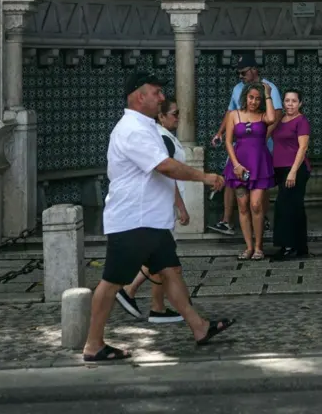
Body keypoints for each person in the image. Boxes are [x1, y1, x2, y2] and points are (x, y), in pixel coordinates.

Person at [81, 71, 237, 362]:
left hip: (152, 220)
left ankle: (199, 327)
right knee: (112, 281)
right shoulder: (132, 129)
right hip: (134, 221)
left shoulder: (147, 126)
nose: (162, 97)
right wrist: (205, 177)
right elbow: (165, 167)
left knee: (171, 271)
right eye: (156, 92)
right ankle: (93, 344)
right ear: (140, 96)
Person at [114, 97, 190, 323]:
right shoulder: (163, 139)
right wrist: (181, 207)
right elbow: (168, 175)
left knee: (162, 259)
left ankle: (157, 307)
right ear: (162, 116)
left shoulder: (165, 137)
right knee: (164, 260)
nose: (178, 118)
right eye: (174, 114)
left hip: (162, 207)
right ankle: (129, 290)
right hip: (161, 208)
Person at [210, 55, 282, 236]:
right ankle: (226, 221)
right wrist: (221, 132)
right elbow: (230, 113)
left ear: (254, 69)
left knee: (260, 182)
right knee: (231, 176)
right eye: (238, 73)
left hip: (263, 144)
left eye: (243, 72)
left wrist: (264, 137)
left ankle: (262, 218)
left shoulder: (269, 87)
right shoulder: (237, 88)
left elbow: (277, 114)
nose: (240, 76)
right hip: (240, 143)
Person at [222, 82, 277, 260]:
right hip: (239, 165)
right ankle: (249, 247)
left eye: (257, 98)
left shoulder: (262, 116)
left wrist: (268, 94)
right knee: (243, 206)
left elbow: (271, 118)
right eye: (251, 97)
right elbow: (229, 142)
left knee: (256, 205)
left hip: (259, 164)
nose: (253, 101)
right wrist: (236, 165)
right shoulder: (233, 115)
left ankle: (259, 247)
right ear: (245, 96)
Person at [267, 88, 311, 260]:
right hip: (280, 168)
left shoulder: (301, 121)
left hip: (295, 169)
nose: (290, 104)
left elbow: (303, 147)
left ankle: (288, 246)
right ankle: (299, 247)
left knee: (286, 206)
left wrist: (293, 172)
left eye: (294, 101)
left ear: (300, 103)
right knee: (293, 207)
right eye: (287, 101)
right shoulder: (280, 120)